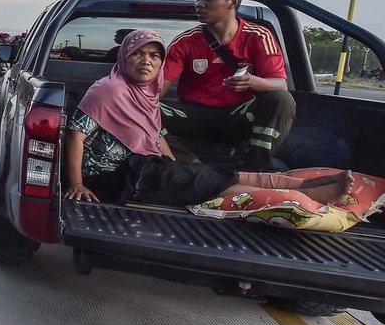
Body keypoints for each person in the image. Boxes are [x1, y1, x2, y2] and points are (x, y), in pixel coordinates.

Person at [63, 29, 353, 210]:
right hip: (114, 177)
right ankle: (305, 199)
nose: (146, 61)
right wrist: (76, 184)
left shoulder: (146, 93)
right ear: (124, 56)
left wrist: (173, 163)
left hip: (144, 167)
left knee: (208, 174)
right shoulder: (108, 89)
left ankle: (299, 186)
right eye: (137, 53)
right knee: (210, 183)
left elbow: (156, 136)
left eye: (154, 55)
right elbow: (76, 136)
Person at [160, 0, 296, 172]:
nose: (200, 4)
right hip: (192, 117)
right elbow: (156, 91)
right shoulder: (185, 41)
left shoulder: (259, 36)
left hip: (237, 117)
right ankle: (187, 162)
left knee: (281, 99)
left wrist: (252, 81)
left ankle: (256, 166)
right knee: (142, 106)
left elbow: (281, 85)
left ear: (233, 2)